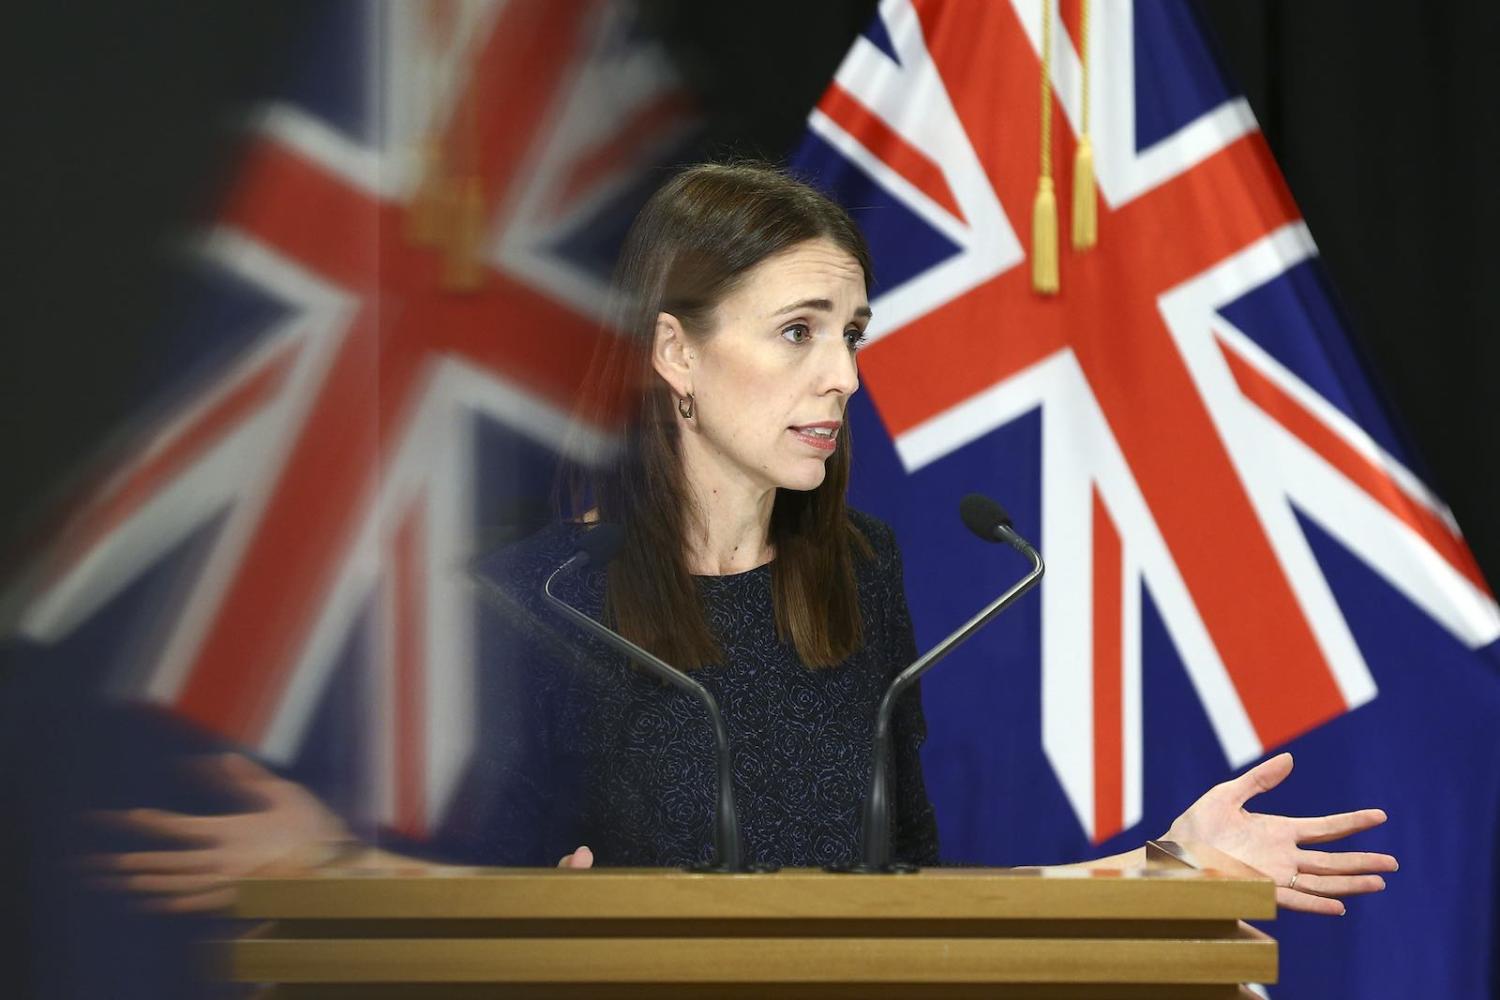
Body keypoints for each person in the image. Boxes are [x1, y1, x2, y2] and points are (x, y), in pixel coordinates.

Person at [93, 162, 1396, 915]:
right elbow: (475, 903)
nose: (843, 376)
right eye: (797, 333)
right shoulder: (530, 602)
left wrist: (1164, 869)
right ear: (676, 351)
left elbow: (918, 897)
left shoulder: (864, 580)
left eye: (852, 335)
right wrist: (340, 871)